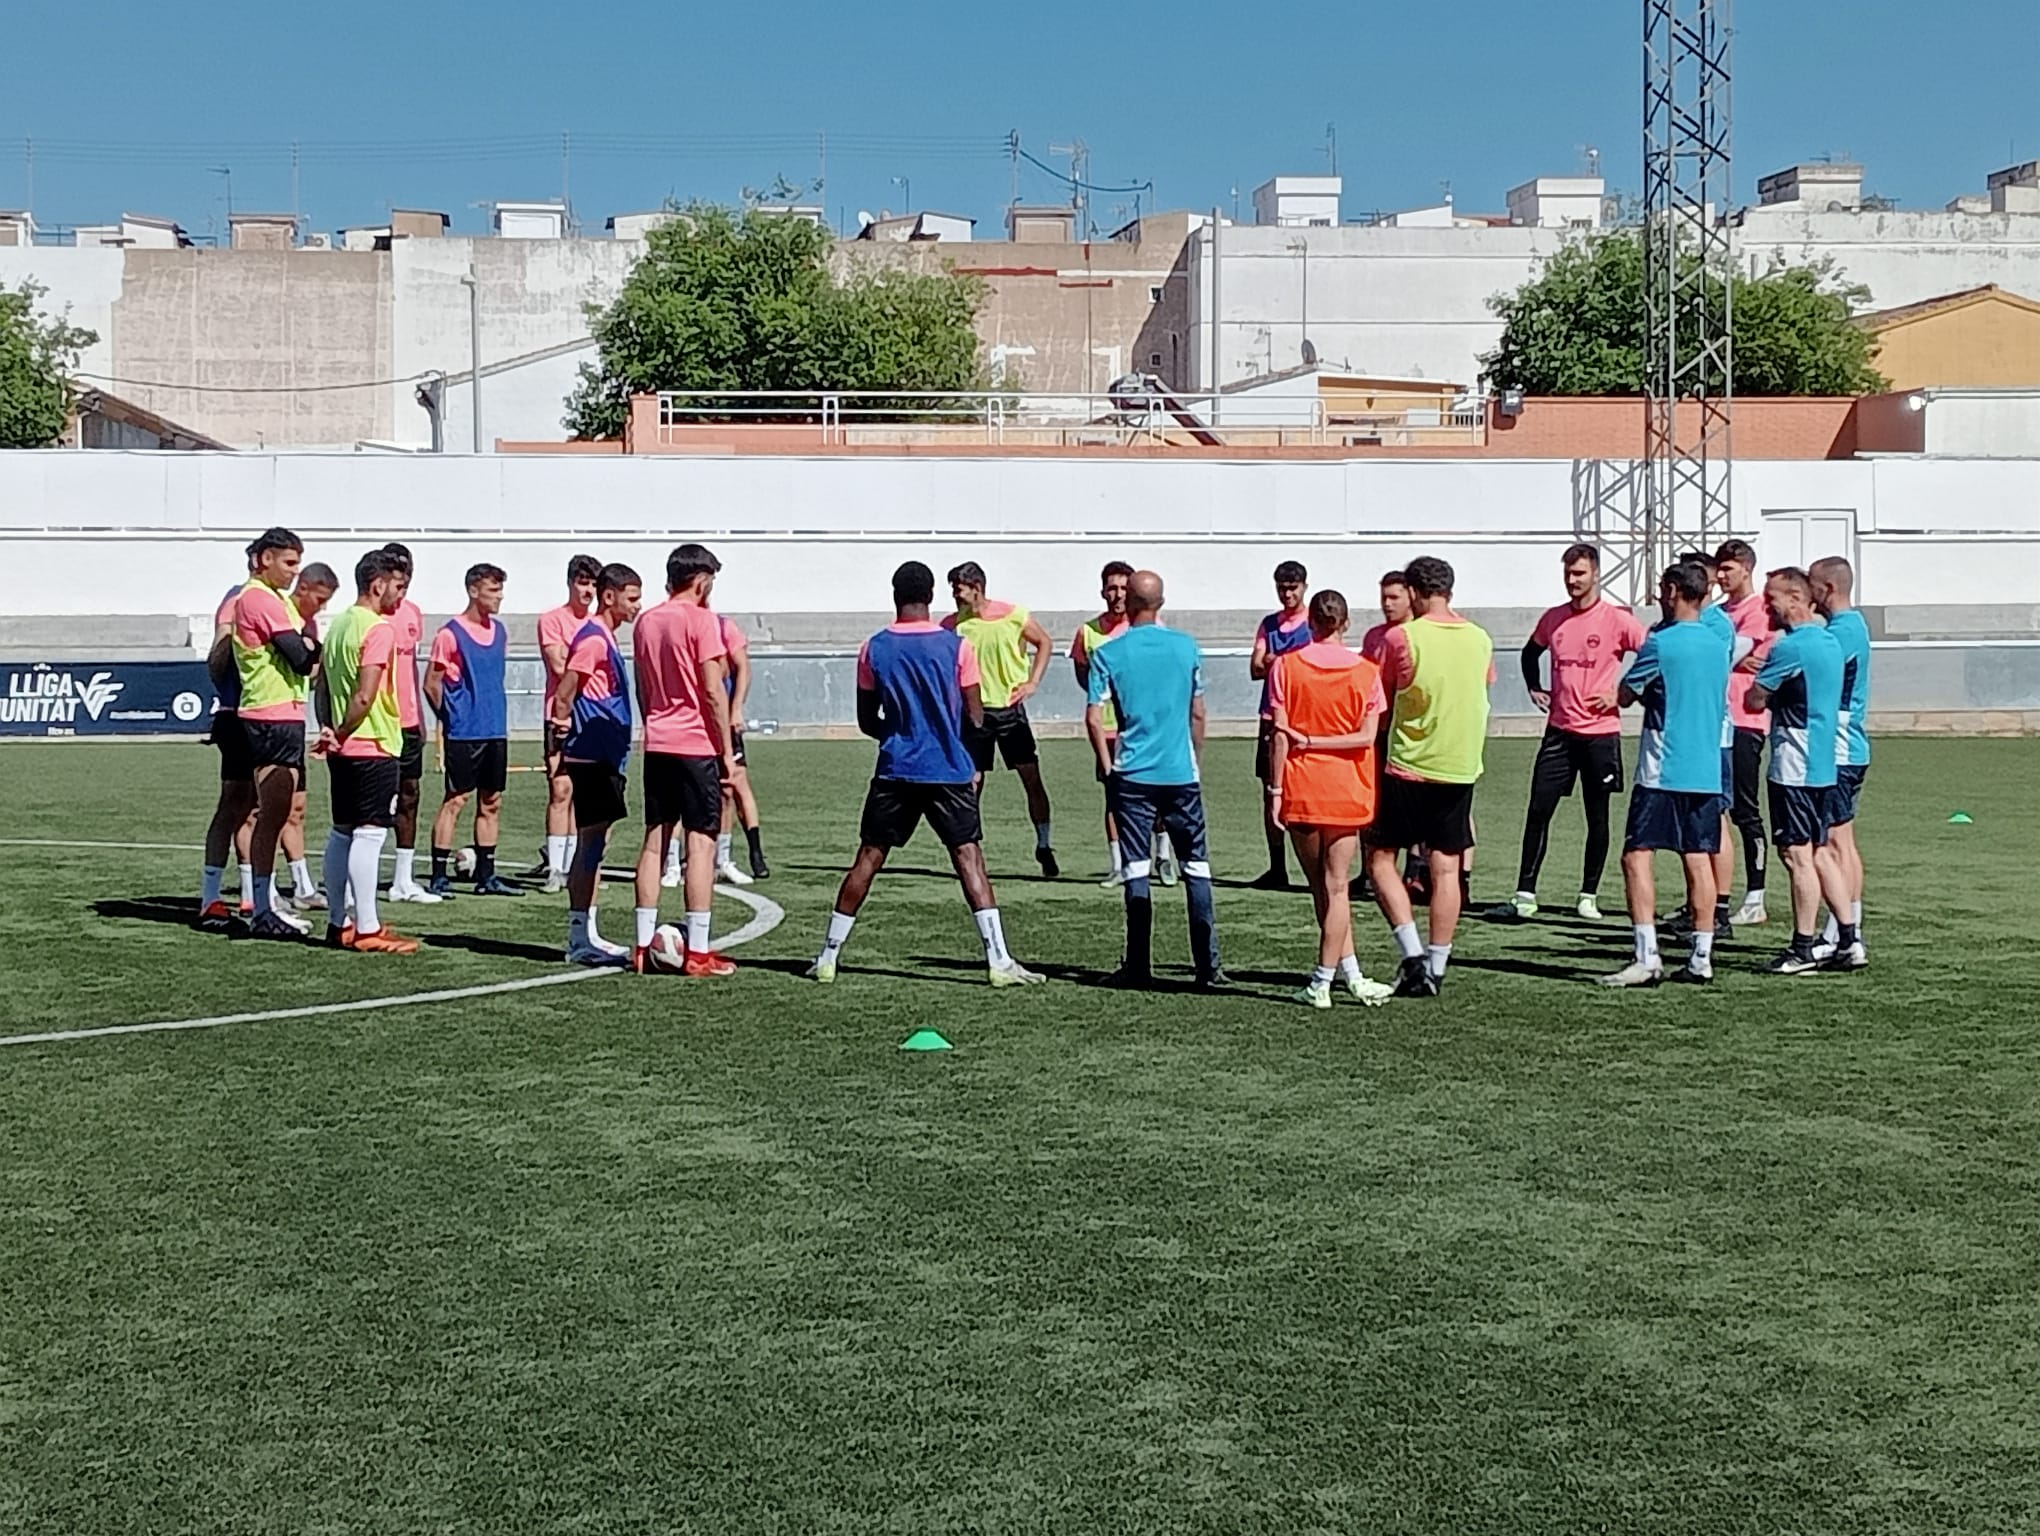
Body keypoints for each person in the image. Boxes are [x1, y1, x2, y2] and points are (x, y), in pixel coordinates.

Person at [809, 562, 1043, 988]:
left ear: (894, 595)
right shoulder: (957, 647)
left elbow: (867, 720)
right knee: (969, 858)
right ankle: (999, 961)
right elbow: (976, 716)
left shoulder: (873, 648)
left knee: (868, 859)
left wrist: (901, 734)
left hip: (896, 769)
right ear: (932, 596)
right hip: (948, 770)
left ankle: (828, 957)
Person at [1085, 569, 1226, 990]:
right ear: (1161, 602)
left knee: (1136, 869)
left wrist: (1108, 765)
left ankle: (1138, 965)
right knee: (1196, 867)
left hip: (1132, 774)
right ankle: (1208, 967)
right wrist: (1194, 760)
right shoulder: (1187, 647)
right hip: (1180, 774)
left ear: (1128, 603)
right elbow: (1198, 712)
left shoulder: (1108, 652)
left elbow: (1094, 717)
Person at [1490, 544, 1645, 923]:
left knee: (1597, 815)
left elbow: (1653, 654)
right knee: (1538, 810)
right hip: (1559, 733)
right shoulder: (1554, 618)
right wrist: (1535, 687)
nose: (1572, 580)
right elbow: (1530, 653)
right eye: (1568, 574)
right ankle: (1525, 894)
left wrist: (1623, 693)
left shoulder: (1617, 620)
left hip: (1601, 735)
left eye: (1579, 573)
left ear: (1596, 574)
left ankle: (1588, 895)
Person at [1366, 555, 1494, 998]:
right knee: (1446, 867)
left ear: (1414, 593)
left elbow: (1383, 700)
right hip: (1460, 764)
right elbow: (1484, 684)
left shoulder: (1402, 637)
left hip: (1411, 763)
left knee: (1380, 859)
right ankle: (1437, 966)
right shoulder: (1480, 638)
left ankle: (1413, 954)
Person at [1600, 561, 1730, 987]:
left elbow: (1626, 693)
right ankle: (1701, 956)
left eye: (1661, 588)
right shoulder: (1718, 643)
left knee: (1636, 855)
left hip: (1664, 767)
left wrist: (1625, 694)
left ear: (1674, 591)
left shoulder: (1660, 642)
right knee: (1698, 857)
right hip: (1707, 767)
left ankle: (1647, 956)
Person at [1266, 589, 1394, 1008]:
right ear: (1346, 623)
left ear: (1311, 623)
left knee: (1322, 887)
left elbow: (1280, 736)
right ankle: (1346, 974)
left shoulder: (1286, 667)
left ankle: (1326, 979)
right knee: (1336, 886)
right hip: (1347, 789)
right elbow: (1366, 736)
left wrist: (1276, 789)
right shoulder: (1367, 672)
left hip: (1303, 784)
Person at [1745, 567, 1860, 976]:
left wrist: (1760, 679)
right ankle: (1849, 939)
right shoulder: (1830, 641)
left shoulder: (1790, 648)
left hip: (1794, 764)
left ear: (1795, 598)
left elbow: (1755, 699)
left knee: (1796, 855)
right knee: (1821, 850)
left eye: (1772, 598)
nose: (1767, 606)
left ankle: (1802, 948)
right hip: (1825, 762)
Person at [632, 544, 740, 978]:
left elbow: (642, 685)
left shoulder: (646, 621)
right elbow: (713, 690)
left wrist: (654, 723)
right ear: (702, 580)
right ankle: (697, 951)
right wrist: (725, 750)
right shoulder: (702, 620)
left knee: (655, 840)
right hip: (696, 745)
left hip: (658, 741)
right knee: (701, 843)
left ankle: (642, 946)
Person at [312, 549, 421, 955]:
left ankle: (338, 921)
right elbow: (365, 695)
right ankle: (367, 927)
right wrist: (342, 731)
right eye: (398, 587)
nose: (400, 596)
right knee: (371, 834)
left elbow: (322, 688)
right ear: (378, 585)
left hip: (344, 748)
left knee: (342, 831)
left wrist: (328, 730)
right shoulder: (378, 629)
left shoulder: (339, 625)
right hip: (372, 743)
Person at [229, 527, 323, 941]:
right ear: (265, 558)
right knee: (270, 814)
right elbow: (302, 657)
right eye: (288, 562)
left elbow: (308, 651)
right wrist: (309, 647)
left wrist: (309, 647)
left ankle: (268, 902)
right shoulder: (258, 599)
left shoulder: (275, 599)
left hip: (283, 713)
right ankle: (263, 907)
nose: (294, 571)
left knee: (280, 812)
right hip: (269, 715)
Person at [550, 564, 643, 967]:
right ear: (610, 596)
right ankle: (578, 937)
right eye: (632, 598)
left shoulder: (605, 637)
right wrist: (559, 738)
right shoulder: (592, 639)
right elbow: (565, 692)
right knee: (590, 845)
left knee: (596, 844)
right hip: (592, 755)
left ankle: (587, 933)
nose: (637, 606)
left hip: (603, 754)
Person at [945, 561, 1058, 876]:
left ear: (976, 587)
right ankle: (971, 851)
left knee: (1031, 778)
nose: (954, 595)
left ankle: (1044, 844)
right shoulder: (953, 624)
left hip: (1010, 712)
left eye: (958, 589)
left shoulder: (1014, 615)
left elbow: (1045, 642)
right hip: (975, 714)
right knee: (972, 783)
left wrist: (1032, 682)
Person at [1072, 560, 1175, 887]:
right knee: (1114, 795)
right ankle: (1119, 863)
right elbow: (1083, 677)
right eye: (1111, 588)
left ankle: (1163, 856)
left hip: (1147, 729)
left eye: (1122, 588)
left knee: (1158, 794)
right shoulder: (1088, 632)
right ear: (1103, 591)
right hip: (1109, 729)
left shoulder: (1151, 627)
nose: (1117, 595)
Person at [424, 562, 522, 898]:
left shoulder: (500, 632)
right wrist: (452, 717)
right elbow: (432, 683)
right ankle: (439, 876)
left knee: (491, 801)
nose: (499, 597)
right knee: (456, 799)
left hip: (495, 729)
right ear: (473, 590)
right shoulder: (450, 634)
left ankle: (487, 876)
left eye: (500, 590)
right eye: (493, 590)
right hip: (464, 733)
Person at [667, 605, 768, 888]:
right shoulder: (676, 627)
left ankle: (724, 860)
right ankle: (672, 864)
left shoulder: (723, 627)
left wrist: (735, 710)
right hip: (688, 725)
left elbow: (741, 667)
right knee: (679, 793)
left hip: (720, 722)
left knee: (728, 789)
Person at [1809, 555, 1871, 969]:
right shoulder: (1853, 626)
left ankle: (1841, 932)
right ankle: (1848, 928)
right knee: (1842, 840)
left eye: (1812, 585)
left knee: (1832, 842)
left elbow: (1819, 675)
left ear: (1827, 588)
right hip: (1850, 747)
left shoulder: (1841, 633)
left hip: (1839, 749)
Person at [1716, 538, 1777, 927]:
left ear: (1747, 569)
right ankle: (1709, 897)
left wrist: (1738, 661)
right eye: (1719, 569)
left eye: (1728, 569)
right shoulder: (1718, 613)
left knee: (1744, 808)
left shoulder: (1758, 612)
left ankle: (1756, 896)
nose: (1721, 576)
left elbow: (1727, 654)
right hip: (1719, 721)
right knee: (1715, 809)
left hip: (1746, 721)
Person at [537, 554, 603, 892]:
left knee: (586, 793)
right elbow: (560, 665)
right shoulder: (552, 620)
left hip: (591, 715)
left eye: (593, 584)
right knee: (560, 788)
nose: (588, 591)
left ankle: (579, 867)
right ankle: (555, 868)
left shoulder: (597, 624)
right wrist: (584, 667)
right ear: (570, 583)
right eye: (583, 583)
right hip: (560, 713)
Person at [379, 542, 439, 904]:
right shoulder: (372, 616)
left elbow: (411, 668)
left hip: (409, 721)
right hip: (379, 722)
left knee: (410, 795)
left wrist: (420, 716)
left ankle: (403, 879)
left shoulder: (413, 613)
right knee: (375, 802)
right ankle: (359, 879)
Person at [278, 563, 339, 914]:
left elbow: (313, 672)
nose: (322, 607)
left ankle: (302, 886)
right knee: (264, 810)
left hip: (294, 721)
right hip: (269, 721)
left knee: (296, 807)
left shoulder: (310, 625)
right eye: (319, 598)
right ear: (303, 588)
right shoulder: (280, 614)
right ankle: (261, 887)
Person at [1249, 559, 1313, 889]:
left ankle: (1313, 863)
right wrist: (1279, 662)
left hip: (1304, 717)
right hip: (1271, 716)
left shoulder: (1313, 622)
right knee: (1269, 789)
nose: (1287, 594)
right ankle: (1277, 867)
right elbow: (1256, 667)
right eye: (1282, 588)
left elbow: (1313, 665)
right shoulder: (1269, 624)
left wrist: (1278, 661)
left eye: (1292, 588)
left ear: (1304, 587)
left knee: (1306, 789)